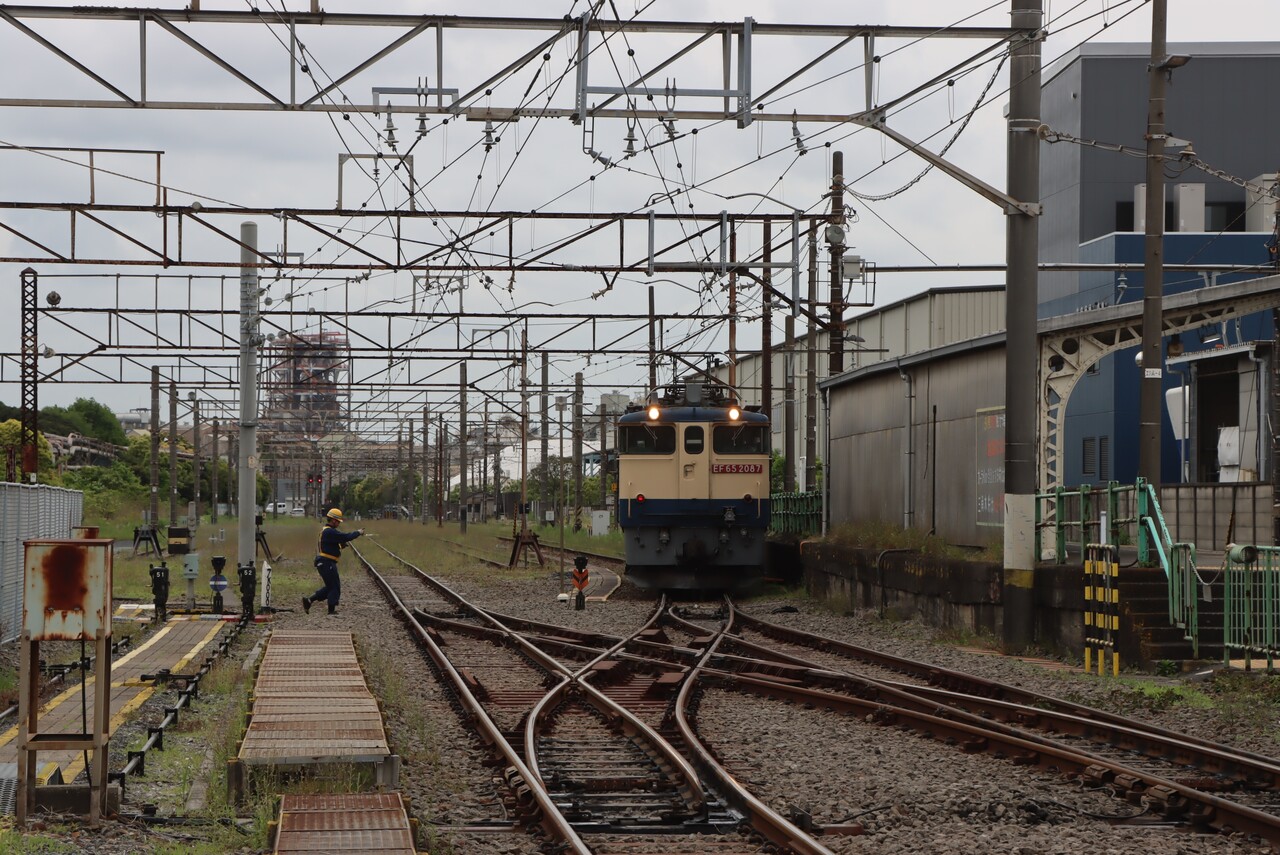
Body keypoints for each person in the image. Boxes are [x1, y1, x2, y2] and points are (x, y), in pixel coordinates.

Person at [303, 508, 364, 616]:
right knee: (334, 587)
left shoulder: (327, 531)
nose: (338, 524)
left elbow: (331, 544)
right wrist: (358, 532)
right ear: (333, 520)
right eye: (338, 521)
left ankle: (309, 600)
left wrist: (340, 546)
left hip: (325, 563)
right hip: (327, 563)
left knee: (330, 586)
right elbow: (346, 537)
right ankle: (331, 611)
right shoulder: (330, 531)